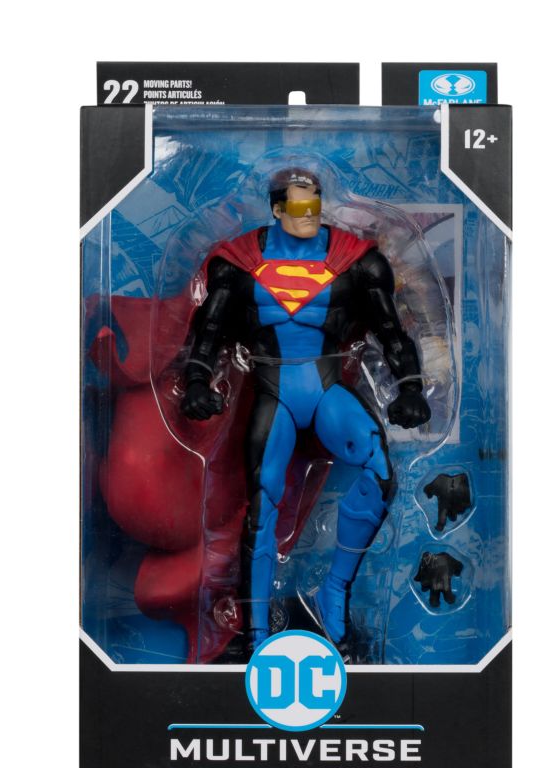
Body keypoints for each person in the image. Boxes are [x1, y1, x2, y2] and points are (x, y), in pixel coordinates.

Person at [181, 169, 430, 649]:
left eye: (315, 205)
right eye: (299, 207)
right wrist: (196, 381)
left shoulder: (356, 262)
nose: (310, 215)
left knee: (380, 472)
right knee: (263, 507)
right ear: (277, 209)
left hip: (326, 386)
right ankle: (256, 635)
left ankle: (334, 590)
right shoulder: (238, 263)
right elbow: (207, 332)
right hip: (272, 391)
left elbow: (391, 331)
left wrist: (410, 388)